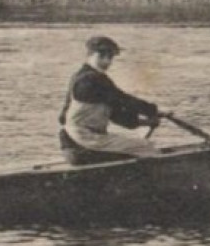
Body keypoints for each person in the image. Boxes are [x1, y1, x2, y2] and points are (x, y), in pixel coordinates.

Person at [58, 36, 162, 165]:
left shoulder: (79, 77)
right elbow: (122, 99)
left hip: (75, 143)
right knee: (146, 147)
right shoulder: (91, 79)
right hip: (83, 142)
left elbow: (116, 115)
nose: (106, 61)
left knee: (140, 146)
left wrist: (147, 122)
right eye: (101, 55)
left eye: (110, 57)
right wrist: (152, 110)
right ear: (90, 54)